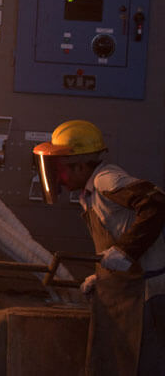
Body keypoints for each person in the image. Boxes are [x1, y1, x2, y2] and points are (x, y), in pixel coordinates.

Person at [33, 120, 165, 376]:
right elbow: (122, 230)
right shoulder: (90, 193)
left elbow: (156, 203)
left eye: (61, 169)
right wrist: (103, 276)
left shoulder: (106, 180)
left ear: (81, 165)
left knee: (146, 366)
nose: (58, 177)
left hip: (149, 294)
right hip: (132, 289)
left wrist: (125, 252)